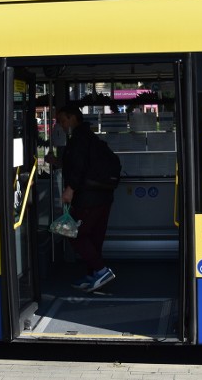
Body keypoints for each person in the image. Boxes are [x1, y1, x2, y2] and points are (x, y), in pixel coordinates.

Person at [48, 103, 116, 292]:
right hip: (103, 195)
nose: (61, 125)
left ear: (72, 118)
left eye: (62, 120)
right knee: (94, 237)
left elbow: (78, 167)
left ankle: (101, 270)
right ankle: (93, 274)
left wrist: (69, 189)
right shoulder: (90, 137)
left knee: (73, 234)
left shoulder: (78, 138)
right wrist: (57, 162)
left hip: (88, 198)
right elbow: (81, 164)